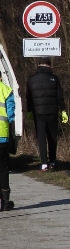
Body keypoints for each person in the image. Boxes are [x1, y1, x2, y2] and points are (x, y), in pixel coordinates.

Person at [24, 59, 66, 171]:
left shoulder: (31, 79)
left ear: (38, 65)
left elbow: (29, 97)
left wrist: (29, 111)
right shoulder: (54, 78)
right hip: (52, 111)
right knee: (52, 137)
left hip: (38, 113)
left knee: (41, 138)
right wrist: (63, 110)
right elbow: (59, 96)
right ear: (49, 65)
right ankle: (52, 161)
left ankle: (43, 163)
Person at [0, 77, 14, 210]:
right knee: (3, 168)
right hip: (2, 136)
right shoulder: (6, 90)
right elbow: (10, 115)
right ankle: (5, 201)